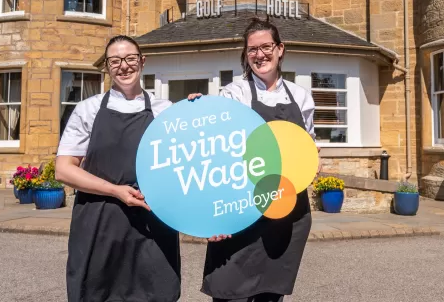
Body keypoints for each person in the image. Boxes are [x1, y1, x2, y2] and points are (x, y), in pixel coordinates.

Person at [189, 17, 317, 302]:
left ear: (280, 49)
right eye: (252, 50)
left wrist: (313, 164)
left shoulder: (300, 97)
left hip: (285, 212)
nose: (260, 55)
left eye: (266, 46)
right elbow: (213, 151)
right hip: (240, 210)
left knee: (271, 295)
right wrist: (196, 113)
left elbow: (308, 148)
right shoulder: (234, 93)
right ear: (246, 55)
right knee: (230, 291)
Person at [56, 35, 180, 302]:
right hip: (99, 221)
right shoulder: (87, 110)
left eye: (130, 58)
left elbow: (185, 163)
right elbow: (64, 169)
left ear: (142, 61)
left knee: (155, 293)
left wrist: (199, 110)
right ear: (107, 67)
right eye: (115, 61)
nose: (124, 66)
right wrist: (115, 190)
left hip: (152, 221)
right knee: (97, 292)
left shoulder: (165, 110)